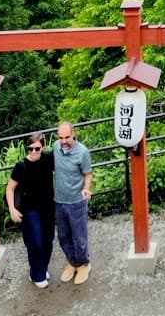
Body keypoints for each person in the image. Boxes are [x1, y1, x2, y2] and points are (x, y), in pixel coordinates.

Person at [5, 132, 55, 288]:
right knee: (35, 242)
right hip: (29, 209)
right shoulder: (21, 166)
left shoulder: (48, 159)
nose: (33, 152)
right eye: (30, 148)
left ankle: (42, 268)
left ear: (43, 147)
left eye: (37, 148)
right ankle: (36, 274)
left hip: (47, 206)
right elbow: (10, 189)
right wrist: (12, 209)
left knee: (48, 240)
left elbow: (64, 150)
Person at [52, 121, 94, 284]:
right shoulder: (56, 147)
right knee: (63, 236)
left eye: (67, 137)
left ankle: (84, 263)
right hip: (59, 200)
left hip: (76, 201)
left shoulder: (82, 152)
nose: (64, 141)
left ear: (73, 134)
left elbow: (88, 173)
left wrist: (86, 188)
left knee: (79, 236)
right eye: (61, 137)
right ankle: (73, 262)